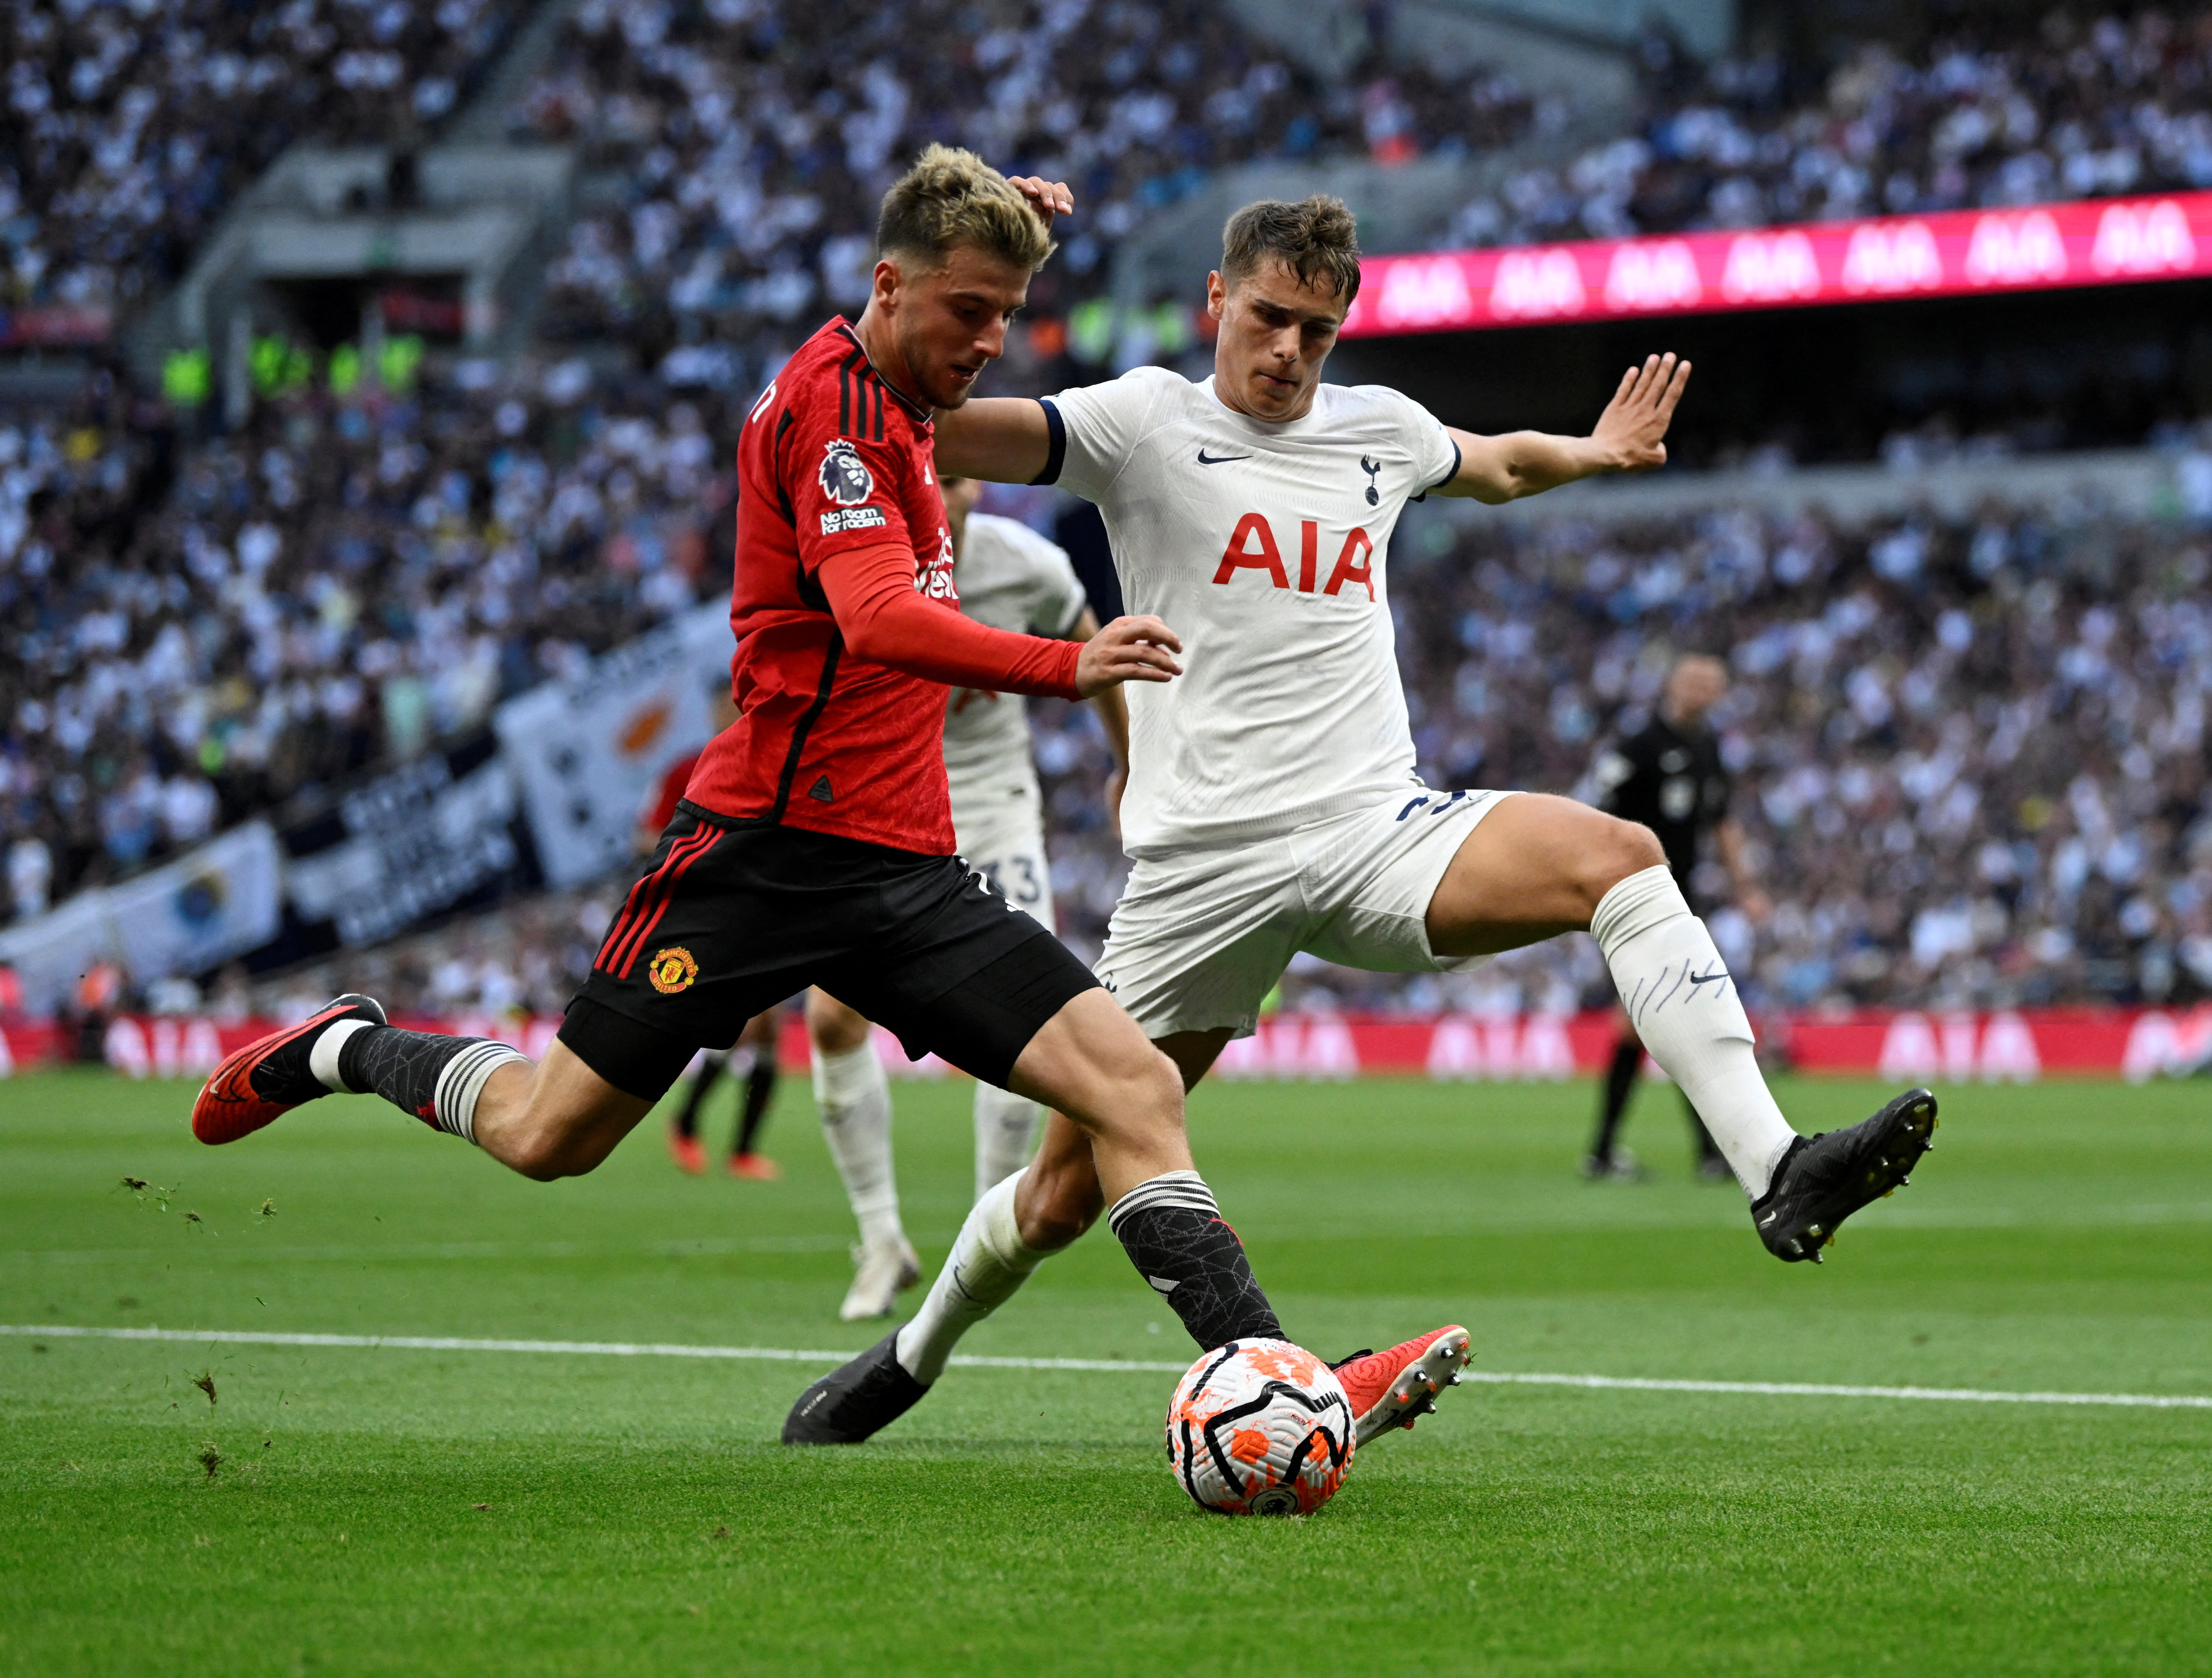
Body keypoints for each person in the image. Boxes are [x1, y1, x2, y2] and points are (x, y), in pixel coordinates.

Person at [191, 147, 1468, 1456]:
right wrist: (1065, 663)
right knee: (546, 1133)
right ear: (888, 288)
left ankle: (1288, 1381)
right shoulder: (839, 415)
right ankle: (348, 1045)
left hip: (904, 870)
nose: (991, 342)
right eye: (968, 311)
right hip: (759, 855)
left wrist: (1000, 216)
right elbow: (877, 617)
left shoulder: (908, 383)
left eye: (1006, 313)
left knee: (1132, 1086)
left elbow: (941, 249)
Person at [841, 187, 1938, 1417]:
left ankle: (1777, 1166)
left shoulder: (1381, 429)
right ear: (1216, 299)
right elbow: (932, 430)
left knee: (1619, 854)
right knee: (1058, 1195)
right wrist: (922, 288)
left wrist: (1597, 450)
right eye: (1266, 318)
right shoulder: (1139, 421)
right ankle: (910, 1353)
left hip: (1372, 830)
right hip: (1202, 867)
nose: (1287, 351)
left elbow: (1501, 463)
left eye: (1316, 331)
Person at [807, 469, 1130, 1321]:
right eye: (927, 479)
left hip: (992, 805)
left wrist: (1129, 764)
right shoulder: (851, 560)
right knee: (831, 1019)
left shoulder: (1024, 563)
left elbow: (1095, 651)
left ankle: (988, 1231)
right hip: (882, 807)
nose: (944, 496)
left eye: (952, 479)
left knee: (1028, 1014)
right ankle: (881, 1241)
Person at [1583, 654, 1770, 1183]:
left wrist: (1746, 887)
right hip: (1634, 900)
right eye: (1693, 680)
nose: (1700, 690)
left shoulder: (1709, 749)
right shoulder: (1639, 746)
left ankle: (1614, 1153)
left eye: (1711, 683)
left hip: (1680, 901)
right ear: (1672, 684)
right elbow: (1598, 819)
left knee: (1664, 1020)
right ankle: (1696, 1155)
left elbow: (1723, 822)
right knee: (1672, 1017)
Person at [635, 693, 783, 1182]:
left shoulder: (778, 764)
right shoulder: (688, 768)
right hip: (715, 908)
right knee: (750, 1024)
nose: (740, 714)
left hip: (766, 908)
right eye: (732, 706)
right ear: (717, 713)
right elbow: (646, 836)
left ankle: (737, 1147)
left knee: (767, 1031)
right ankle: (690, 1125)